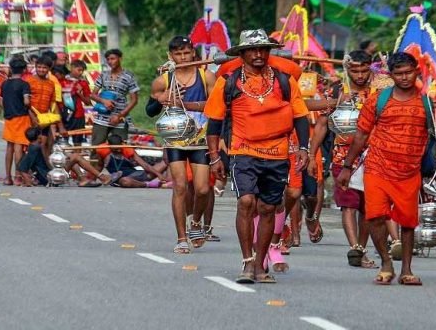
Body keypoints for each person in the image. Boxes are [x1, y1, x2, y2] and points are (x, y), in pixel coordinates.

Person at [204, 29, 311, 284]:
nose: (258, 54)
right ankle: (247, 261)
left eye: (263, 49)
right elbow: (214, 123)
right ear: (242, 54)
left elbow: (300, 116)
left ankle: (261, 264)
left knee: (267, 208)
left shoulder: (284, 81)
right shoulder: (228, 82)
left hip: (277, 152)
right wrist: (214, 157)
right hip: (243, 151)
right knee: (246, 202)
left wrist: (304, 149)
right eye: (252, 50)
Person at [338, 52, 436, 286]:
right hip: (377, 168)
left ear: (417, 71)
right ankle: (386, 263)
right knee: (375, 216)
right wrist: (347, 167)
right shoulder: (378, 100)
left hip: (409, 172)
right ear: (391, 75)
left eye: (408, 72)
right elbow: (361, 135)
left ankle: (406, 270)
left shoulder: (428, 102)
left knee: (408, 222)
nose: (404, 77)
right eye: (399, 73)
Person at [309, 50, 377, 268]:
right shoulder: (337, 91)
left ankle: (361, 250)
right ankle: (354, 247)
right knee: (348, 204)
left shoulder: (379, 92)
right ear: (347, 69)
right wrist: (312, 156)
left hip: (373, 157)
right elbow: (321, 124)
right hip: (342, 157)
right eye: (355, 70)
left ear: (370, 68)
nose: (360, 75)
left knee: (367, 207)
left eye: (364, 70)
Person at [151, 36, 216, 253]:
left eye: (187, 53)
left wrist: (186, 104)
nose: (183, 57)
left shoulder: (206, 76)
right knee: (180, 187)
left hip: (200, 139)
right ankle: (181, 238)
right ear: (171, 56)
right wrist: (161, 99)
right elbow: (150, 109)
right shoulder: (163, 80)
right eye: (178, 54)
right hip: (174, 139)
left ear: (193, 53)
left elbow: (216, 106)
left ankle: (195, 222)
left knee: (203, 189)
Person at [17, 127, 109, 187]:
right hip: (51, 178)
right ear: (39, 136)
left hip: (52, 173)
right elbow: (22, 167)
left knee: (71, 158)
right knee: (76, 157)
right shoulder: (34, 148)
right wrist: (28, 182)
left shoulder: (35, 147)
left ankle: (83, 179)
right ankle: (101, 177)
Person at [90, 48, 139, 145]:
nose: (110, 61)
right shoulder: (103, 75)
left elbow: (134, 100)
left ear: (120, 59)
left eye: (113, 58)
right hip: (101, 118)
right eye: (108, 59)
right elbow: (93, 95)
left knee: (119, 148)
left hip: (119, 119)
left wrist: (119, 116)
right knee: (97, 148)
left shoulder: (128, 76)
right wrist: (104, 101)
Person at [0, 57, 31, 186]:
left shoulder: (4, 84)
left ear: (11, 69)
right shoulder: (24, 85)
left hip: (9, 118)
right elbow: (26, 102)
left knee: (9, 147)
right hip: (21, 118)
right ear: (24, 70)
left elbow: (1, 102)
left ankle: (7, 177)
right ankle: (18, 176)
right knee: (19, 147)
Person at [27, 56, 66, 157]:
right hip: (30, 119)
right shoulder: (28, 82)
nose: (41, 70)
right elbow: (25, 103)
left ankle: (44, 166)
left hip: (45, 120)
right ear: (35, 67)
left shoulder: (51, 84)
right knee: (32, 146)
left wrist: (61, 126)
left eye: (44, 67)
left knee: (47, 144)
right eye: (39, 67)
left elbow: (54, 105)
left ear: (49, 69)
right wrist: (33, 118)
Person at [65, 60, 91, 145]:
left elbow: (88, 102)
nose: (80, 72)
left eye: (82, 70)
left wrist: (80, 94)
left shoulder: (83, 83)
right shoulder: (63, 80)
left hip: (78, 115)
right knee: (63, 140)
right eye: (79, 70)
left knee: (78, 141)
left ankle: (77, 153)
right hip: (65, 115)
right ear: (71, 68)